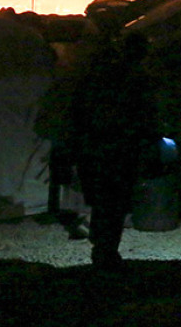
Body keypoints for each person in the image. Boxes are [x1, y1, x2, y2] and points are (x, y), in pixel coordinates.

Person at [69, 30, 158, 270]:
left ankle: (102, 246)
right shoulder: (135, 78)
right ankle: (105, 250)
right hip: (119, 147)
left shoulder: (101, 76)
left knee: (106, 199)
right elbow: (145, 114)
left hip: (100, 145)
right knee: (114, 200)